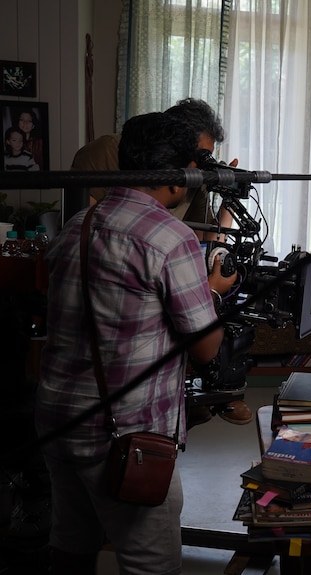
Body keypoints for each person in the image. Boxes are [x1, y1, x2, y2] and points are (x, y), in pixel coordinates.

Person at [35, 111, 224, 575]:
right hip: (123, 433)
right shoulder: (170, 238)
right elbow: (205, 349)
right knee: (150, 563)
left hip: (58, 417)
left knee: (71, 543)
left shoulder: (76, 226)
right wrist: (213, 292)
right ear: (179, 179)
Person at [71, 98, 252, 426]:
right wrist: (208, 291)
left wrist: (225, 205)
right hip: (110, 270)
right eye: (199, 157)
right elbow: (90, 221)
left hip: (65, 407)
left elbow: (205, 239)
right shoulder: (114, 151)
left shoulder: (192, 182)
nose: (203, 165)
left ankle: (209, 390)